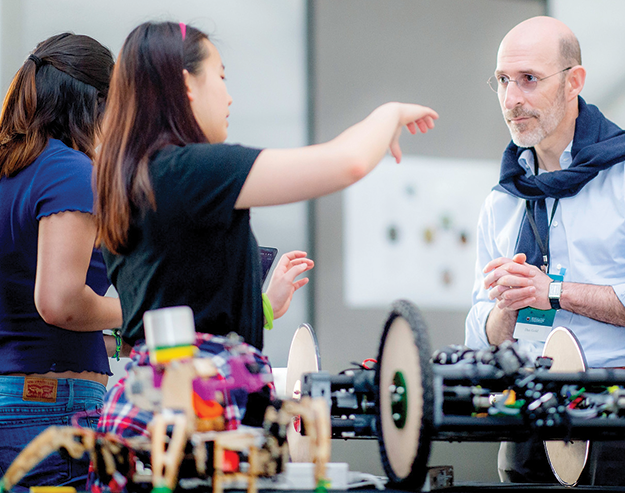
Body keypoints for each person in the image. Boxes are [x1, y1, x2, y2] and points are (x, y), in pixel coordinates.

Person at [93, 20, 437, 444]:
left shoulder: (127, 182)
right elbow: (346, 162)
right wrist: (390, 114)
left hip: (148, 411)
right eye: (220, 77)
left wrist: (260, 307)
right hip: (202, 418)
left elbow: (173, 300)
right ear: (187, 85)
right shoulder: (191, 170)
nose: (229, 95)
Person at [464, 16, 625, 487]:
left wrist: (554, 292)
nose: (512, 100)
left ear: (575, 82)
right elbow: (480, 331)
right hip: (529, 417)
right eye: (503, 81)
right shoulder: (503, 199)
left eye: (529, 79)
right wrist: (505, 311)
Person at [0, 33, 122, 490]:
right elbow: (60, 303)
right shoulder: (70, 170)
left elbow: (18, 313)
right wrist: (146, 306)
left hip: (1, 406)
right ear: (98, 102)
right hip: (43, 412)